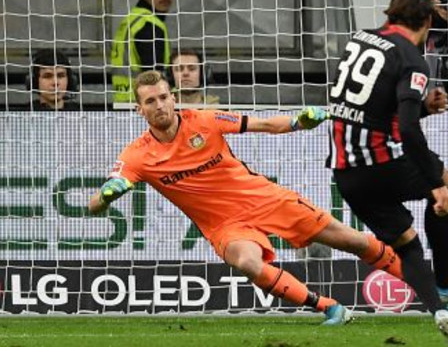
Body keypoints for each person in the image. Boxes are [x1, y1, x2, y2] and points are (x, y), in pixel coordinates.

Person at [88, 70, 407, 325]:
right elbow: (94, 205)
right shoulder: (137, 156)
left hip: (264, 199)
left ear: (173, 98)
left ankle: (426, 285)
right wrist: (107, 195)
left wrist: (297, 122)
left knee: (352, 240)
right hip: (225, 225)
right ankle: (330, 307)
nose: (159, 105)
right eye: (150, 101)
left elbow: (264, 123)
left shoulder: (204, 121)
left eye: (162, 97)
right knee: (248, 263)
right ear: (139, 109)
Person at [327, 0, 448, 347]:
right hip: (380, 163)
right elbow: (409, 131)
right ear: (427, 21)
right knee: (446, 182)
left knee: (407, 245)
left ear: (391, 15)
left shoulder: (361, 40)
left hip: (346, 173)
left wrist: (423, 107)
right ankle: (446, 281)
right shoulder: (412, 59)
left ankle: (440, 312)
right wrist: (434, 183)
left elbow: (370, 108)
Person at [111, 0, 176, 103]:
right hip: (145, 103)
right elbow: (154, 76)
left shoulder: (131, 20)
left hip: (125, 100)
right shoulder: (149, 24)